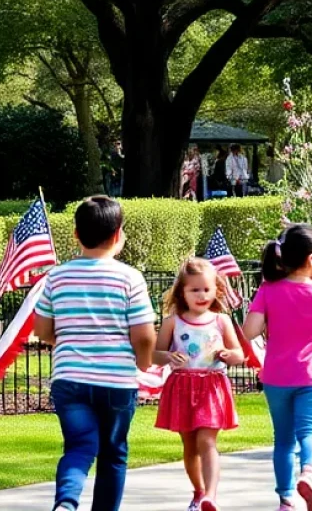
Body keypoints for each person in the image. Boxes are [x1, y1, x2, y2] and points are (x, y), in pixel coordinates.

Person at [34, 196, 156, 511]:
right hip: (116, 381)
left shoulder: (56, 277)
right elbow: (143, 335)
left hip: (69, 379)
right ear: (118, 235)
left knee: (79, 447)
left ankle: (66, 503)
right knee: (113, 453)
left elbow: (43, 330)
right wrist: (143, 364)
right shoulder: (130, 278)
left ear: (76, 234)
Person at [243, 224, 312, 511]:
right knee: (310, 432)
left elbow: (249, 331)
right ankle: (310, 472)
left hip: (276, 378)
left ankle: (286, 499)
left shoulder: (268, 290)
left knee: (283, 440)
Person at [154, 257, 243, 511]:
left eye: (206, 289)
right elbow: (154, 355)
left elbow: (239, 355)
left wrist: (228, 353)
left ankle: (211, 496)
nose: (201, 295)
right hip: (182, 387)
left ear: (216, 290)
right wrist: (168, 356)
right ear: (182, 291)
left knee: (207, 441)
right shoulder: (173, 321)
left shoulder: (221, 321)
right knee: (190, 446)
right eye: (194, 289)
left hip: (212, 387)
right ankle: (198, 491)